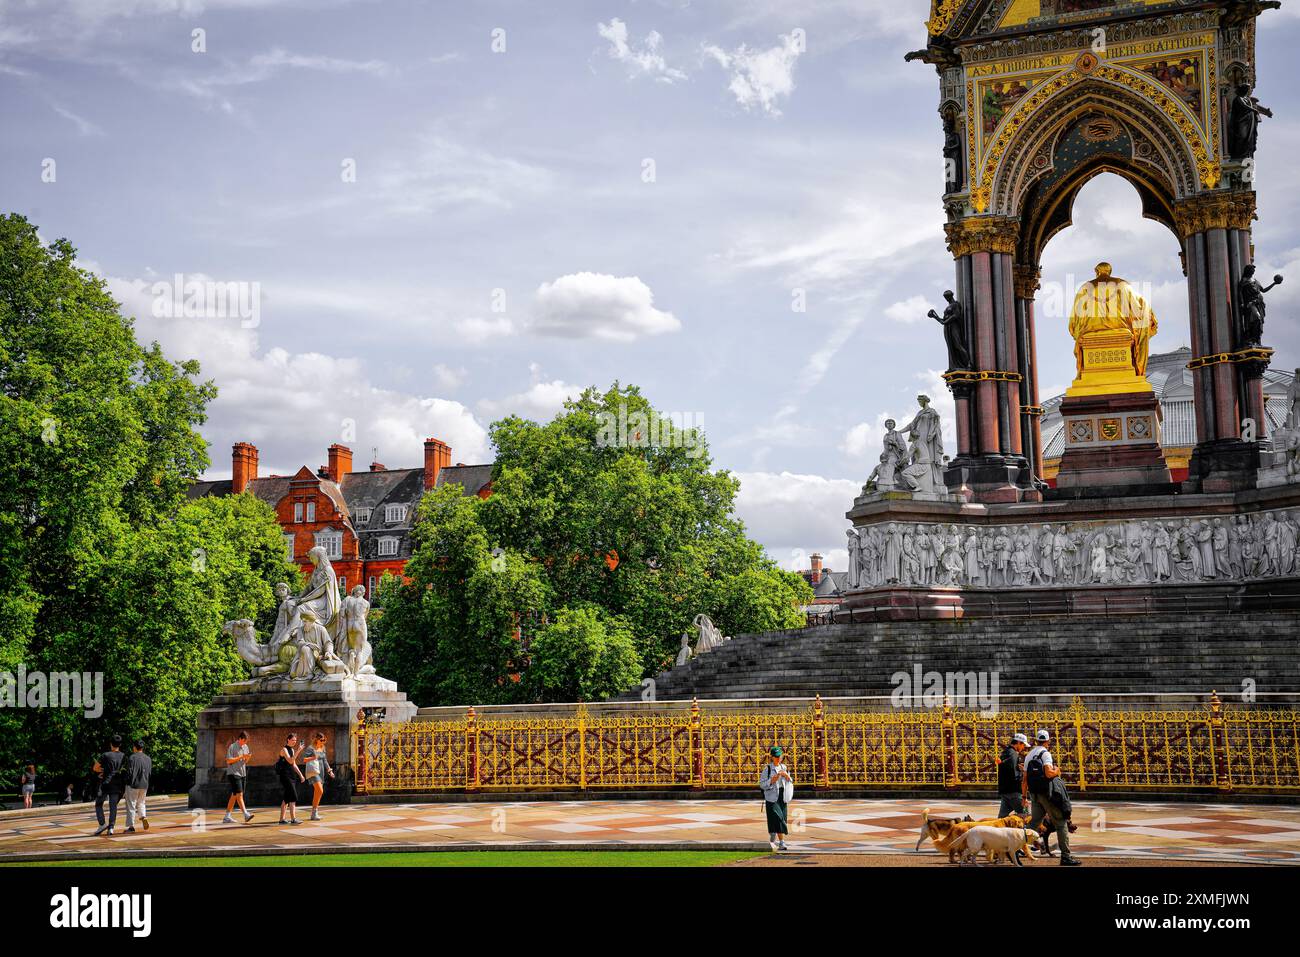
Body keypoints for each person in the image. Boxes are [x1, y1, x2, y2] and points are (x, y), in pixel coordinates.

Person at [1021, 729, 1082, 866]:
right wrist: (1057, 771)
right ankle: (1066, 857)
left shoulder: (1029, 755)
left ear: (1036, 740)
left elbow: (1024, 780)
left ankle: (1017, 847)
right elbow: (1049, 773)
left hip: (1034, 794)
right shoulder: (1045, 753)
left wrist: (1024, 797)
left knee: (1034, 823)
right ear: (1047, 741)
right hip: (1046, 794)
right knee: (1061, 823)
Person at [758, 745, 794, 852]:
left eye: (780, 756)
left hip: (782, 796)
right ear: (772, 757)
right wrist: (771, 781)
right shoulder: (767, 769)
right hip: (771, 797)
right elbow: (762, 785)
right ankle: (782, 842)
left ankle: (773, 832)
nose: (778, 758)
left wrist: (787, 776)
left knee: (782, 817)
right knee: (779, 818)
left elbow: (790, 781)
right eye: (776, 756)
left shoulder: (784, 767)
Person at [92, 735, 127, 836]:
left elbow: (95, 768)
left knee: (98, 804)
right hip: (117, 784)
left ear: (111, 744)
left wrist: (103, 770)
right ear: (120, 744)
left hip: (105, 783)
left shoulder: (105, 755)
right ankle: (111, 827)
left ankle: (102, 824)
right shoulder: (123, 756)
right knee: (113, 806)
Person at [300, 733, 335, 821]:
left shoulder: (323, 748)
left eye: (324, 740)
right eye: (321, 740)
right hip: (313, 771)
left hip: (321, 771)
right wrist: (313, 757)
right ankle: (314, 813)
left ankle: (314, 813)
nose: (323, 742)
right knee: (320, 790)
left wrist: (329, 771)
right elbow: (304, 759)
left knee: (318, 793)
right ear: (316, 739)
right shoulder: (310, 748)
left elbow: (325, 760)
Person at [223, 731, 256, 824]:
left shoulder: (246, 747)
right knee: (239, 794)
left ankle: (227, 816)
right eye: (244, 741)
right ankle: (246, 814)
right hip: (233, 773)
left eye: (246, 742)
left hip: (242, 773)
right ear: (240, 739)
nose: (245, 743)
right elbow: (228, 761)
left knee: (235, 795)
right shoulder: (232, 746)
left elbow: (245, 762)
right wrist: (241, 756)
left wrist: (248, 757)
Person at [996, 733, 1029, 818]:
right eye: (1023, 745)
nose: (1023, 747)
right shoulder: (1013, 754)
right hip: (1014, 792)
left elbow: (1007, 769)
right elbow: (1014, 776)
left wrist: (1018, 768)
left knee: (1001, 818)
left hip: (1005, 791)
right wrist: (1023, 773)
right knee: (1026, 817)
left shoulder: (1006, 751)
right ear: (1018, 742)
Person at [276, 733, 306, 825]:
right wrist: (298, 751)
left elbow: (293, 764)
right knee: (293, 796)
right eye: (293, 740)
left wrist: (301, 775)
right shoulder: (284, 750)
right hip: (285, 776)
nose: (294, 742)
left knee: (286, 798)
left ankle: (282, 819)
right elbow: (290, 760)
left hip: (292, 775)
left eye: (295, 741)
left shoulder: (292, 750)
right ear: (288, 740)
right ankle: (293, 819)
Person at [122, 740, 151, 833]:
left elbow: (129, 772)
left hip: (133, 784)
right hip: (144, 784)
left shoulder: (132, 758)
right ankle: (143, 816)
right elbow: (149, 772)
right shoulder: (148, 758)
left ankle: (131, 827)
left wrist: (126, 783)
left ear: (134, 747)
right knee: (141, 802)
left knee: (131, 805)